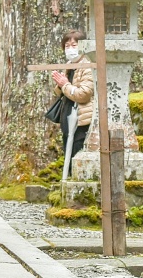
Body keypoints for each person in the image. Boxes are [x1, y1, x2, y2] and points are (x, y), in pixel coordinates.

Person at [52, 29, 93, 180]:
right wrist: (60, 84)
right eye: (67, 45)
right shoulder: (70, 64)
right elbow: (62, 91)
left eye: (74, 44)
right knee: (67, 149)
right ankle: (68, 178)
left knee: (77, 149)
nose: (70, 48)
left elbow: (84, 94)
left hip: (82, 119)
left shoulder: (87, 64)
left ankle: (79, 183)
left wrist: (64, 85)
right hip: (68, 117)